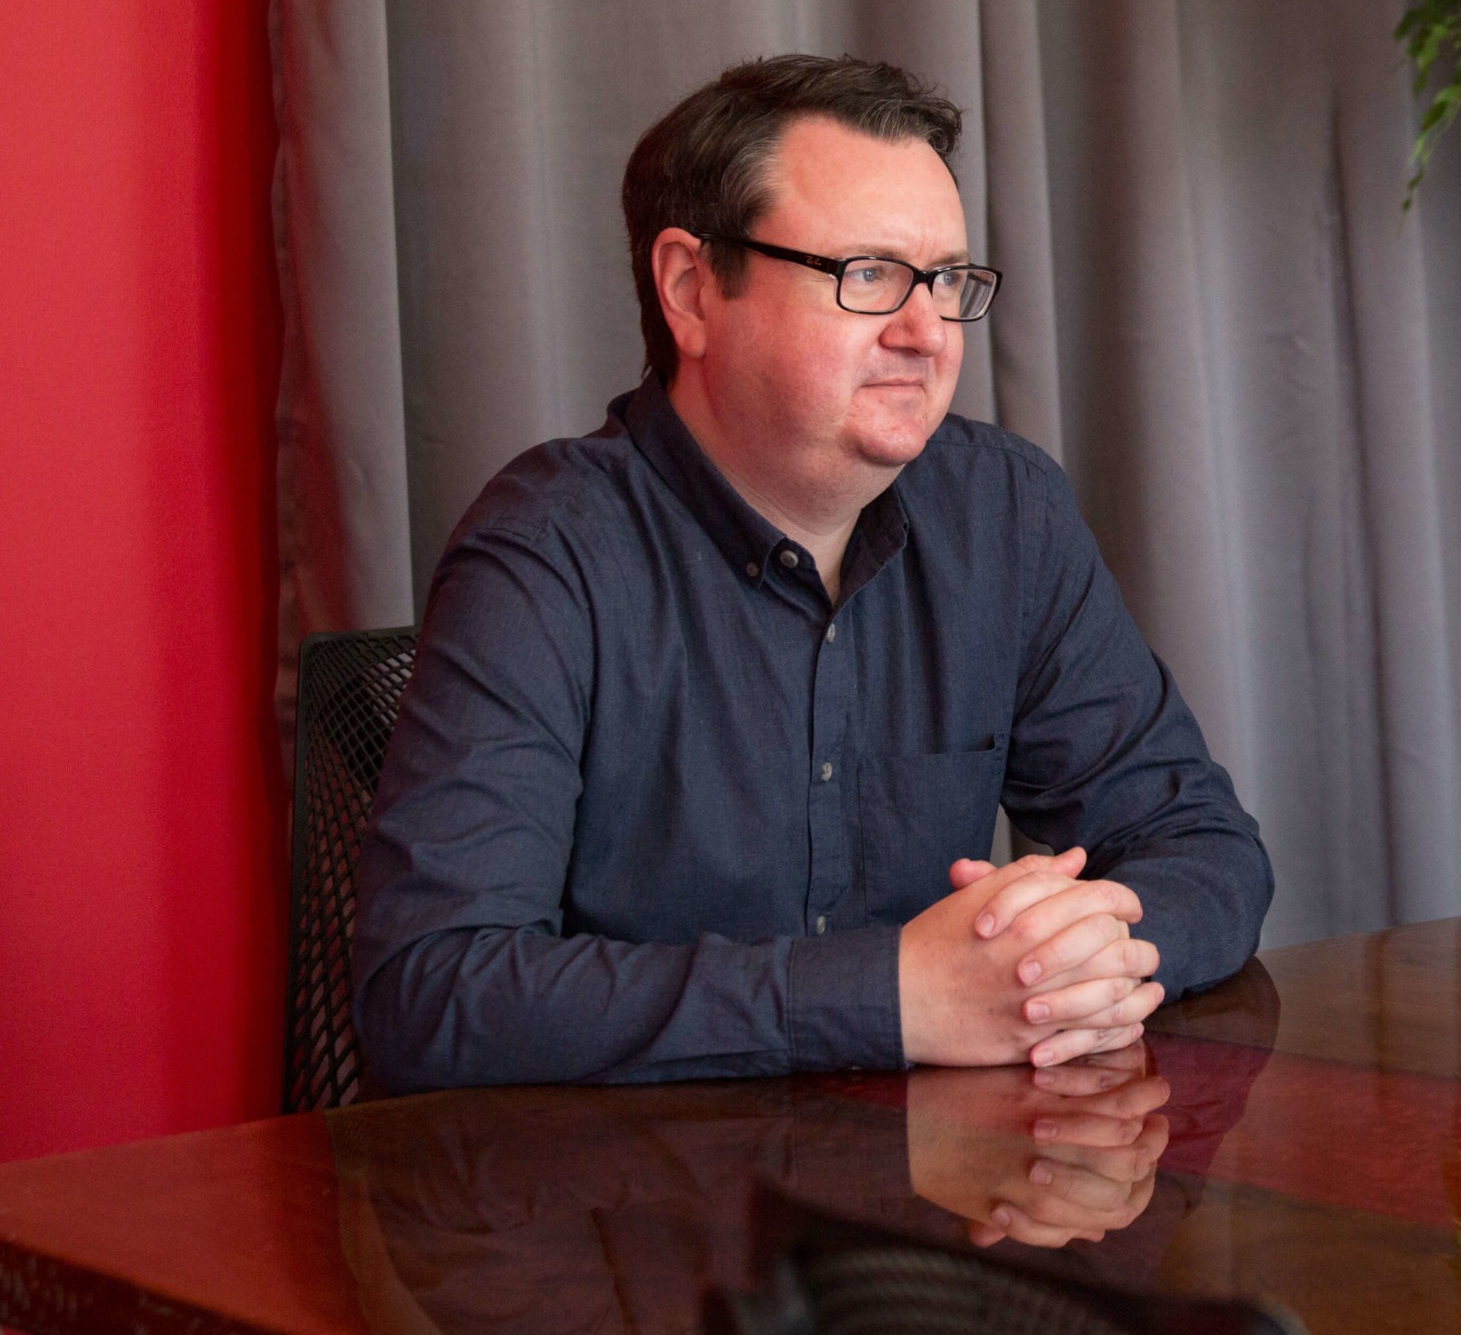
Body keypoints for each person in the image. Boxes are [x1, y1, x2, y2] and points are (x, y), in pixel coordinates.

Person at [354, 55, 1273, 1091]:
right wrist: (888, 997)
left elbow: (1201, 846)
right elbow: (431, 994)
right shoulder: (546, 553)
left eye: (945, 281)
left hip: (939, 1215)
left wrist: (1090, 951)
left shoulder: (1002, 513)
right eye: (868, 275)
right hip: (635, 1218)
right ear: (692, 291)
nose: (926, 333)